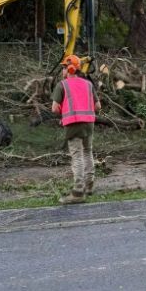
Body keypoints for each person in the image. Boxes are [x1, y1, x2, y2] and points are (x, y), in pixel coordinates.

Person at [51, 54, 101, 204]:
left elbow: (54, 109)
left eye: (64, 68)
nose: (62, 71)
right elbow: (98, 106)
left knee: (77, 156)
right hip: (89, 123)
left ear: (70, 69)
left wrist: (64, 111)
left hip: (73, 124)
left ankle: (78, 192)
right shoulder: (88, 84)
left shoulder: (62, 85)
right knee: (88, 152)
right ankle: (89, 185)